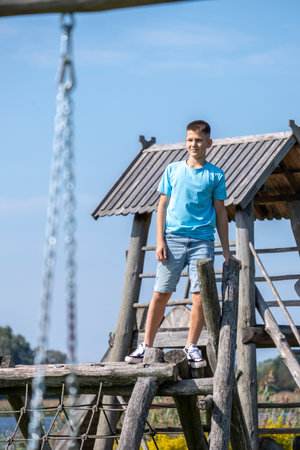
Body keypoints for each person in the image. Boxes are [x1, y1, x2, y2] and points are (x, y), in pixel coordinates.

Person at [125, 120, 240, 368]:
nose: (193, 144)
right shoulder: (173, 170)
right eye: (189, 140)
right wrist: (160, 241)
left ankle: (191, 346)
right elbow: (162, 206)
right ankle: (146, 345)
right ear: (185, 141)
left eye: (198, 140)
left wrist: (227, 252)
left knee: (199, 296)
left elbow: (221, 213)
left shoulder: (215, 174)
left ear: (208, 143)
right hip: (173, 239)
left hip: (202, 242)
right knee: (161, 293)